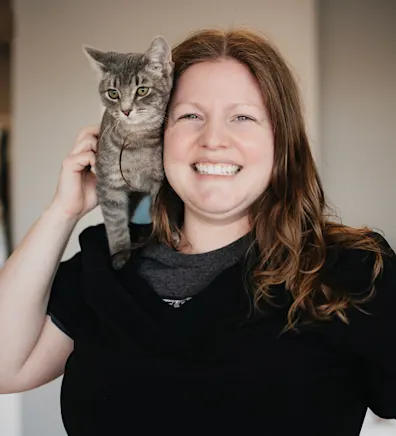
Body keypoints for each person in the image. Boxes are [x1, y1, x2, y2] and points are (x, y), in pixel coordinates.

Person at [0, 28, 395, 436]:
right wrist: (62, 211)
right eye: (191, 116)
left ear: (281, 142)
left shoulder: (353, 271)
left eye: (242, 117)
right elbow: (4, 368)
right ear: (156, 135)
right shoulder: (106, 263)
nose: (213, 140)